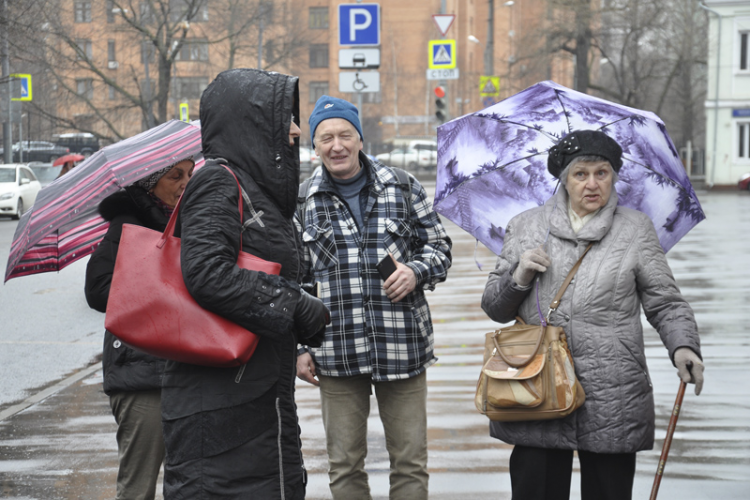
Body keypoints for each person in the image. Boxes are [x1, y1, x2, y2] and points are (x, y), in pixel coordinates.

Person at [481, 130, 704, 500]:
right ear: (564, 180)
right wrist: (518, 275)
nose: (592, 183)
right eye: (580, 174)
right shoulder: (526, 226)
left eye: (602, 173)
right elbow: (493, 307)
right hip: (538, 385)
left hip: (613, 389)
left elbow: (665, 301)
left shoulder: (635, 229)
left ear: (614, 176)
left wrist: (684, 346)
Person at [160, 69, 329, 499]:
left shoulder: (257, 192)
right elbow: (206, 273)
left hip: (251, 400)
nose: (295, 130)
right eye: (283, 119)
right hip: (220, 414)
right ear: (250, 123)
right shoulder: (218, 181)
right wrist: (294, 305)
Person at [295, 95, 453, 500]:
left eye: (345, 134)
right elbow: (294, 283)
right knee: (345, 466)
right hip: (335, 350)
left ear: (360, 138)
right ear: (315, 146)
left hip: (402, 345)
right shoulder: (300, 203)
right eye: (326, 137)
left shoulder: (402, 186)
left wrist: (414, 273)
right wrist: (298, 346)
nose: (337, 145)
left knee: (410, 462)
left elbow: (439, 247)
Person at [84, 156, 195, 500]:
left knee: (191, 484)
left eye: (190, 175)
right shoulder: (128, 223)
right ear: (151, 181)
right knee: (138, 488)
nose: (184, 183)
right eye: (175, 175)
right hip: (140, 374)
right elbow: (98, 290)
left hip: (188, 368)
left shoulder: (192, 222)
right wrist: (159, 283)